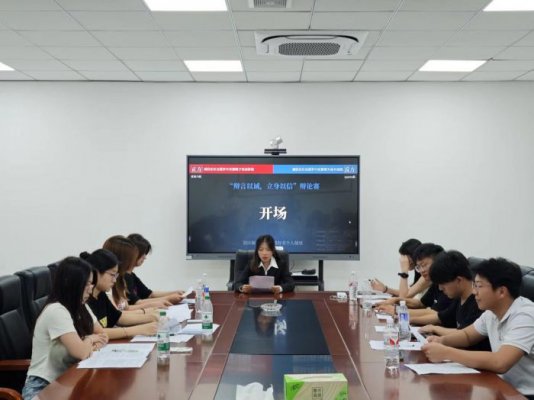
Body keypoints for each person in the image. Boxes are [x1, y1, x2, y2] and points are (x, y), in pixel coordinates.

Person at [422, 258, 534, 399]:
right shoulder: (491, 312)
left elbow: (500, 362)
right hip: (503, 387)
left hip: (526, 394)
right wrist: (442, 341)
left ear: (501, 291)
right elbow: (467, 336)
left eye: (479, 286)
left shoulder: (526, 315)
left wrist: (446, 353)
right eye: (474, 285)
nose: (474, 292)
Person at [21, 257, 109, 400]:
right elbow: (81, 353)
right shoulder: (56, 311)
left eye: (91, 283)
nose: (91, 288)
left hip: (68, 381)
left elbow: (102, 335)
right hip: (42, 387)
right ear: (72, 284)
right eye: (86, 284)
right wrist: (90, 340)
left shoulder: (80, 305)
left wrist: (89, 344)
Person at [415, 251, 490, 351]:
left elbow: (463, 334)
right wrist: (408, 319)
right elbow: (440, 317)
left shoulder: (479, 303)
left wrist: (435, 329)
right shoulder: (459, 297)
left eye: (443, 284)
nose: (440, 288)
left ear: (458, 280)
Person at [81, 249, 159, 339]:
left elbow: (118, 317)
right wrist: (139, 329)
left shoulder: (101, 294)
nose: (114, 280)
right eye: (112, 275)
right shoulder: (85, 298)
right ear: (97, 272)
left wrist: (151, 317)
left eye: (116, 275)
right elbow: (96, 332)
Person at [376, 243, 452, 318]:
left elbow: (434, 313)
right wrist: (396, 300)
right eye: (418, 267)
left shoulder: (449, 283)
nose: (421, 270)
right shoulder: (435, 282)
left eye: (424, 265)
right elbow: (421, 304)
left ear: (437, 262)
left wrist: (397, 310)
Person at [103, 235, 171, 310]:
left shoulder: (121, 280)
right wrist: (151, 308)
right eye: (130, 257)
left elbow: (126, 309)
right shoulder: (109, 285)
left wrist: (152, 309)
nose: (144, 257)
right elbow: (121, 314)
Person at [127, 233, 185, 304]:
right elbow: (136, 302)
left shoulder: (131, 275)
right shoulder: (123, 277)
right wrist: (168, 298)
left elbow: (149, 294)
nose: (145, 257)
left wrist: (175, 292)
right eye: (143, 254)